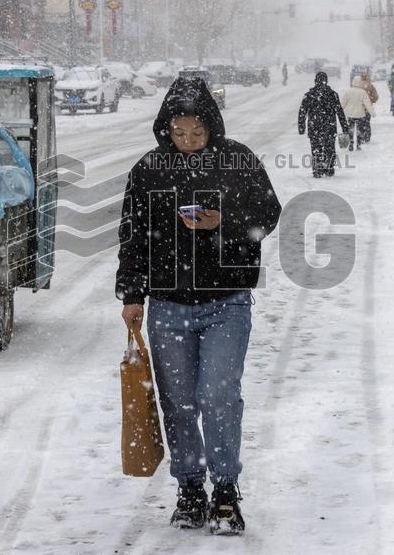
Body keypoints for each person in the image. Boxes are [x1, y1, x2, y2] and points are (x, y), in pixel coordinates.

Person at [116, 76, 282, 536]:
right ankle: (190, 489)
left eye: (196, 132)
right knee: (179, 403)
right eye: (178, 132)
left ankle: (226, 491)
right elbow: (131, 237)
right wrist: (132, 295)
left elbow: (269, 214)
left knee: (220, 398)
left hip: (227, 302)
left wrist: (224, 222)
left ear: (212, 126)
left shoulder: (239, 161)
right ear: (165, 128)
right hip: (167, 306)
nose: (187, 141)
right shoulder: (148, 170)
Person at [298, 71, 350, 177]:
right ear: (326, 81)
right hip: (329, 127)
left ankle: (317, 169)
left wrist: (301, 127)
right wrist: (344, 127)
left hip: (314, 127)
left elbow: (302, 112)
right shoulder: (332, 95)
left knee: (316, 148)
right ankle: (329, 167)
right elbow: (339, 111)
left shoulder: (309, 95)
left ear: (315, 81)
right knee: (329, 147)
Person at [341, 76, 375, 151]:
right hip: (360, 114)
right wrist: (372, 112)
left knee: (350, 129)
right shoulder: (363, 92)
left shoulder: (348, 92)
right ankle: (358, 145)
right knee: (359, 130)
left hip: (350, 115)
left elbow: (343, 103)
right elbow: (367, 104)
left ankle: (351, 143)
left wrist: (339, 111)